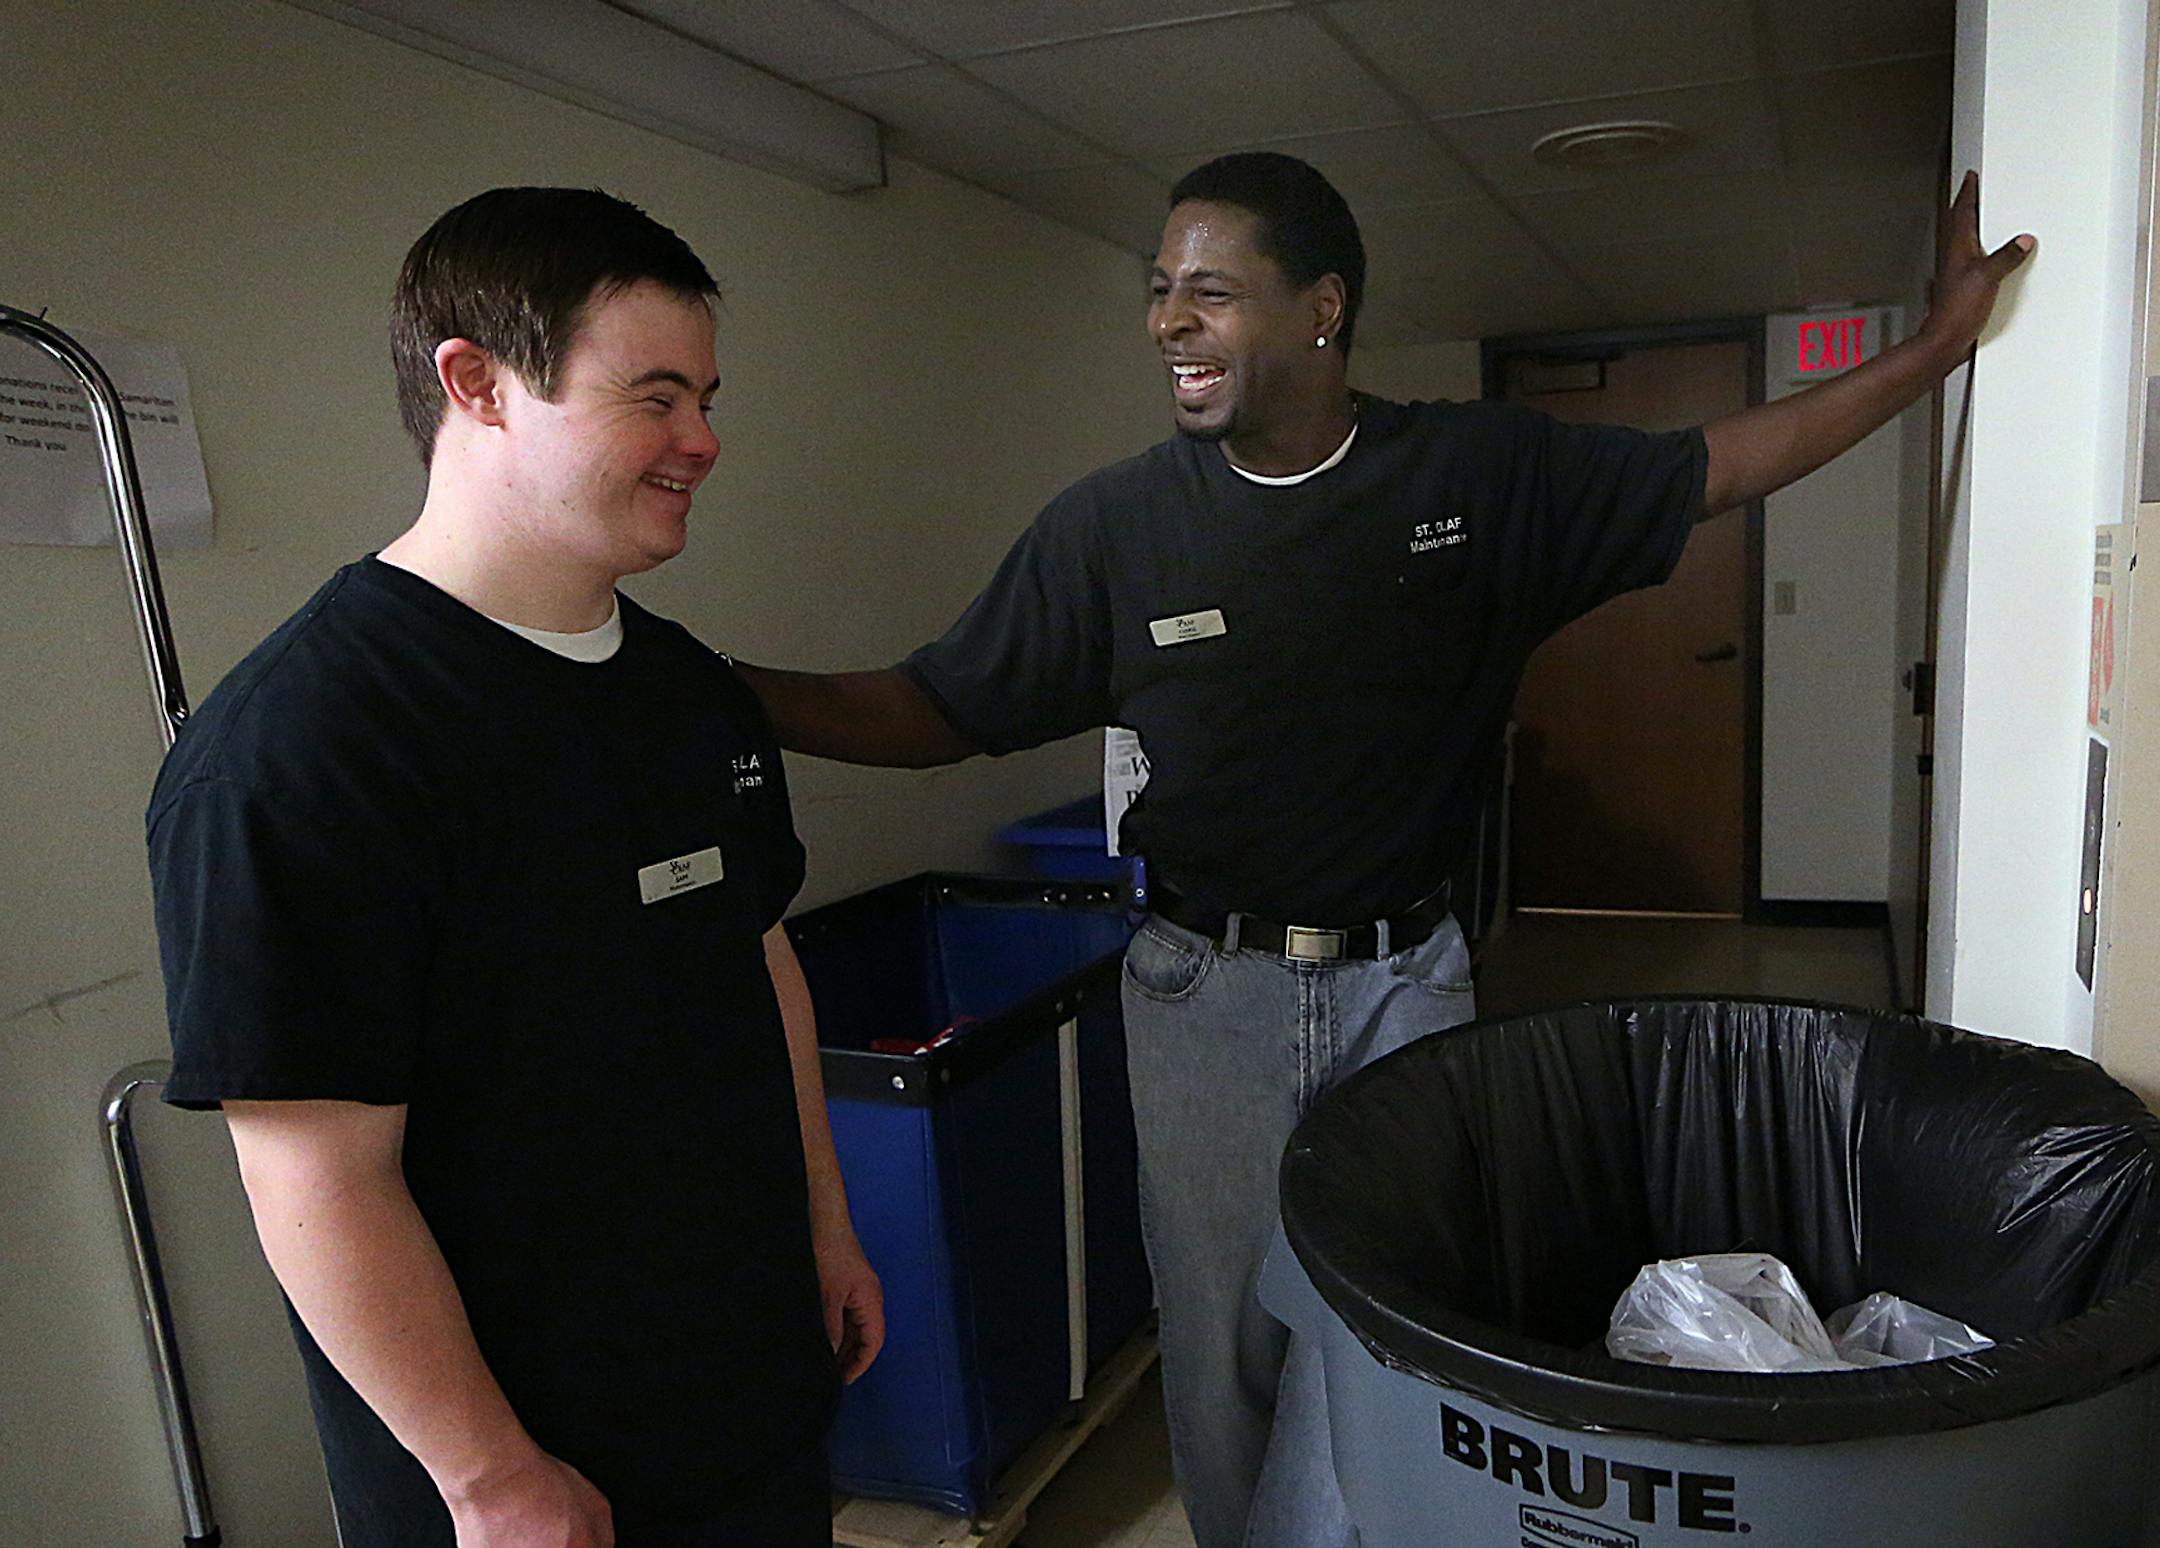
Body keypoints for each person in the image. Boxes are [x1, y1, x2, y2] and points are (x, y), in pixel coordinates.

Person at [734, 153, 2032, 1548]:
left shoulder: (1475, 472)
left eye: (1212, 291)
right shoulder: (1117, 529)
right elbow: (936, 707)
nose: (1171, 321)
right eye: (1161, 292)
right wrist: (712, 688)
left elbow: (1716, 466)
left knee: (1390, 1323)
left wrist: (1935, 349)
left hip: (1410, 984)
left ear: (1322, 311)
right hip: (1200, 994)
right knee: (1226, 1337)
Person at [145, 186, 882, 1548]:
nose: (702, 442)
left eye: (708, 398)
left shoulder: (689, 694)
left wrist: (823, 1232)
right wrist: (487, 1477)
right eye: (653, 398)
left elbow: (757, 957)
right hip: (525, 1474)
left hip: (746, 1397)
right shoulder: (304, 750)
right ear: (477, 384)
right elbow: (313, 1174)